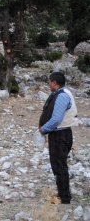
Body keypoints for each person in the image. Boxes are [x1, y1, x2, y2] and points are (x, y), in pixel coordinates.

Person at [39, 72, 79, 204]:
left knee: (59, 166)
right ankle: (62, 193)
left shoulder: (62, 96)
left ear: (54, 82)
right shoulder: (62, 93)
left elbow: (56, 119)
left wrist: (43, 129)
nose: (49, 84)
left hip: (60, 135)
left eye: (49, 82)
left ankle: (65, 198)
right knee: (58, 165)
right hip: (60, 134)